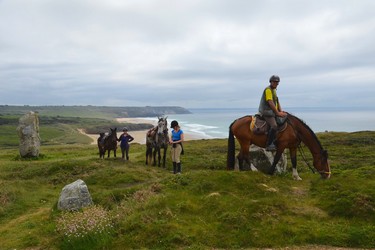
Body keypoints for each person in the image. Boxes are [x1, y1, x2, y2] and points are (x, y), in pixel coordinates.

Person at [258, 75, 287, 151]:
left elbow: (277, 101)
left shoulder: (274, 90)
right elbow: (270, 102)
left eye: (277, 82)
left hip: (272, 112)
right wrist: (277, 113)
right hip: (266, 112)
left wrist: (280, 111)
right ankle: (269, 144)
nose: (276, 83)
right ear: (270, 82)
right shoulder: (268, 90)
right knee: (274, 125)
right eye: (274, 82)